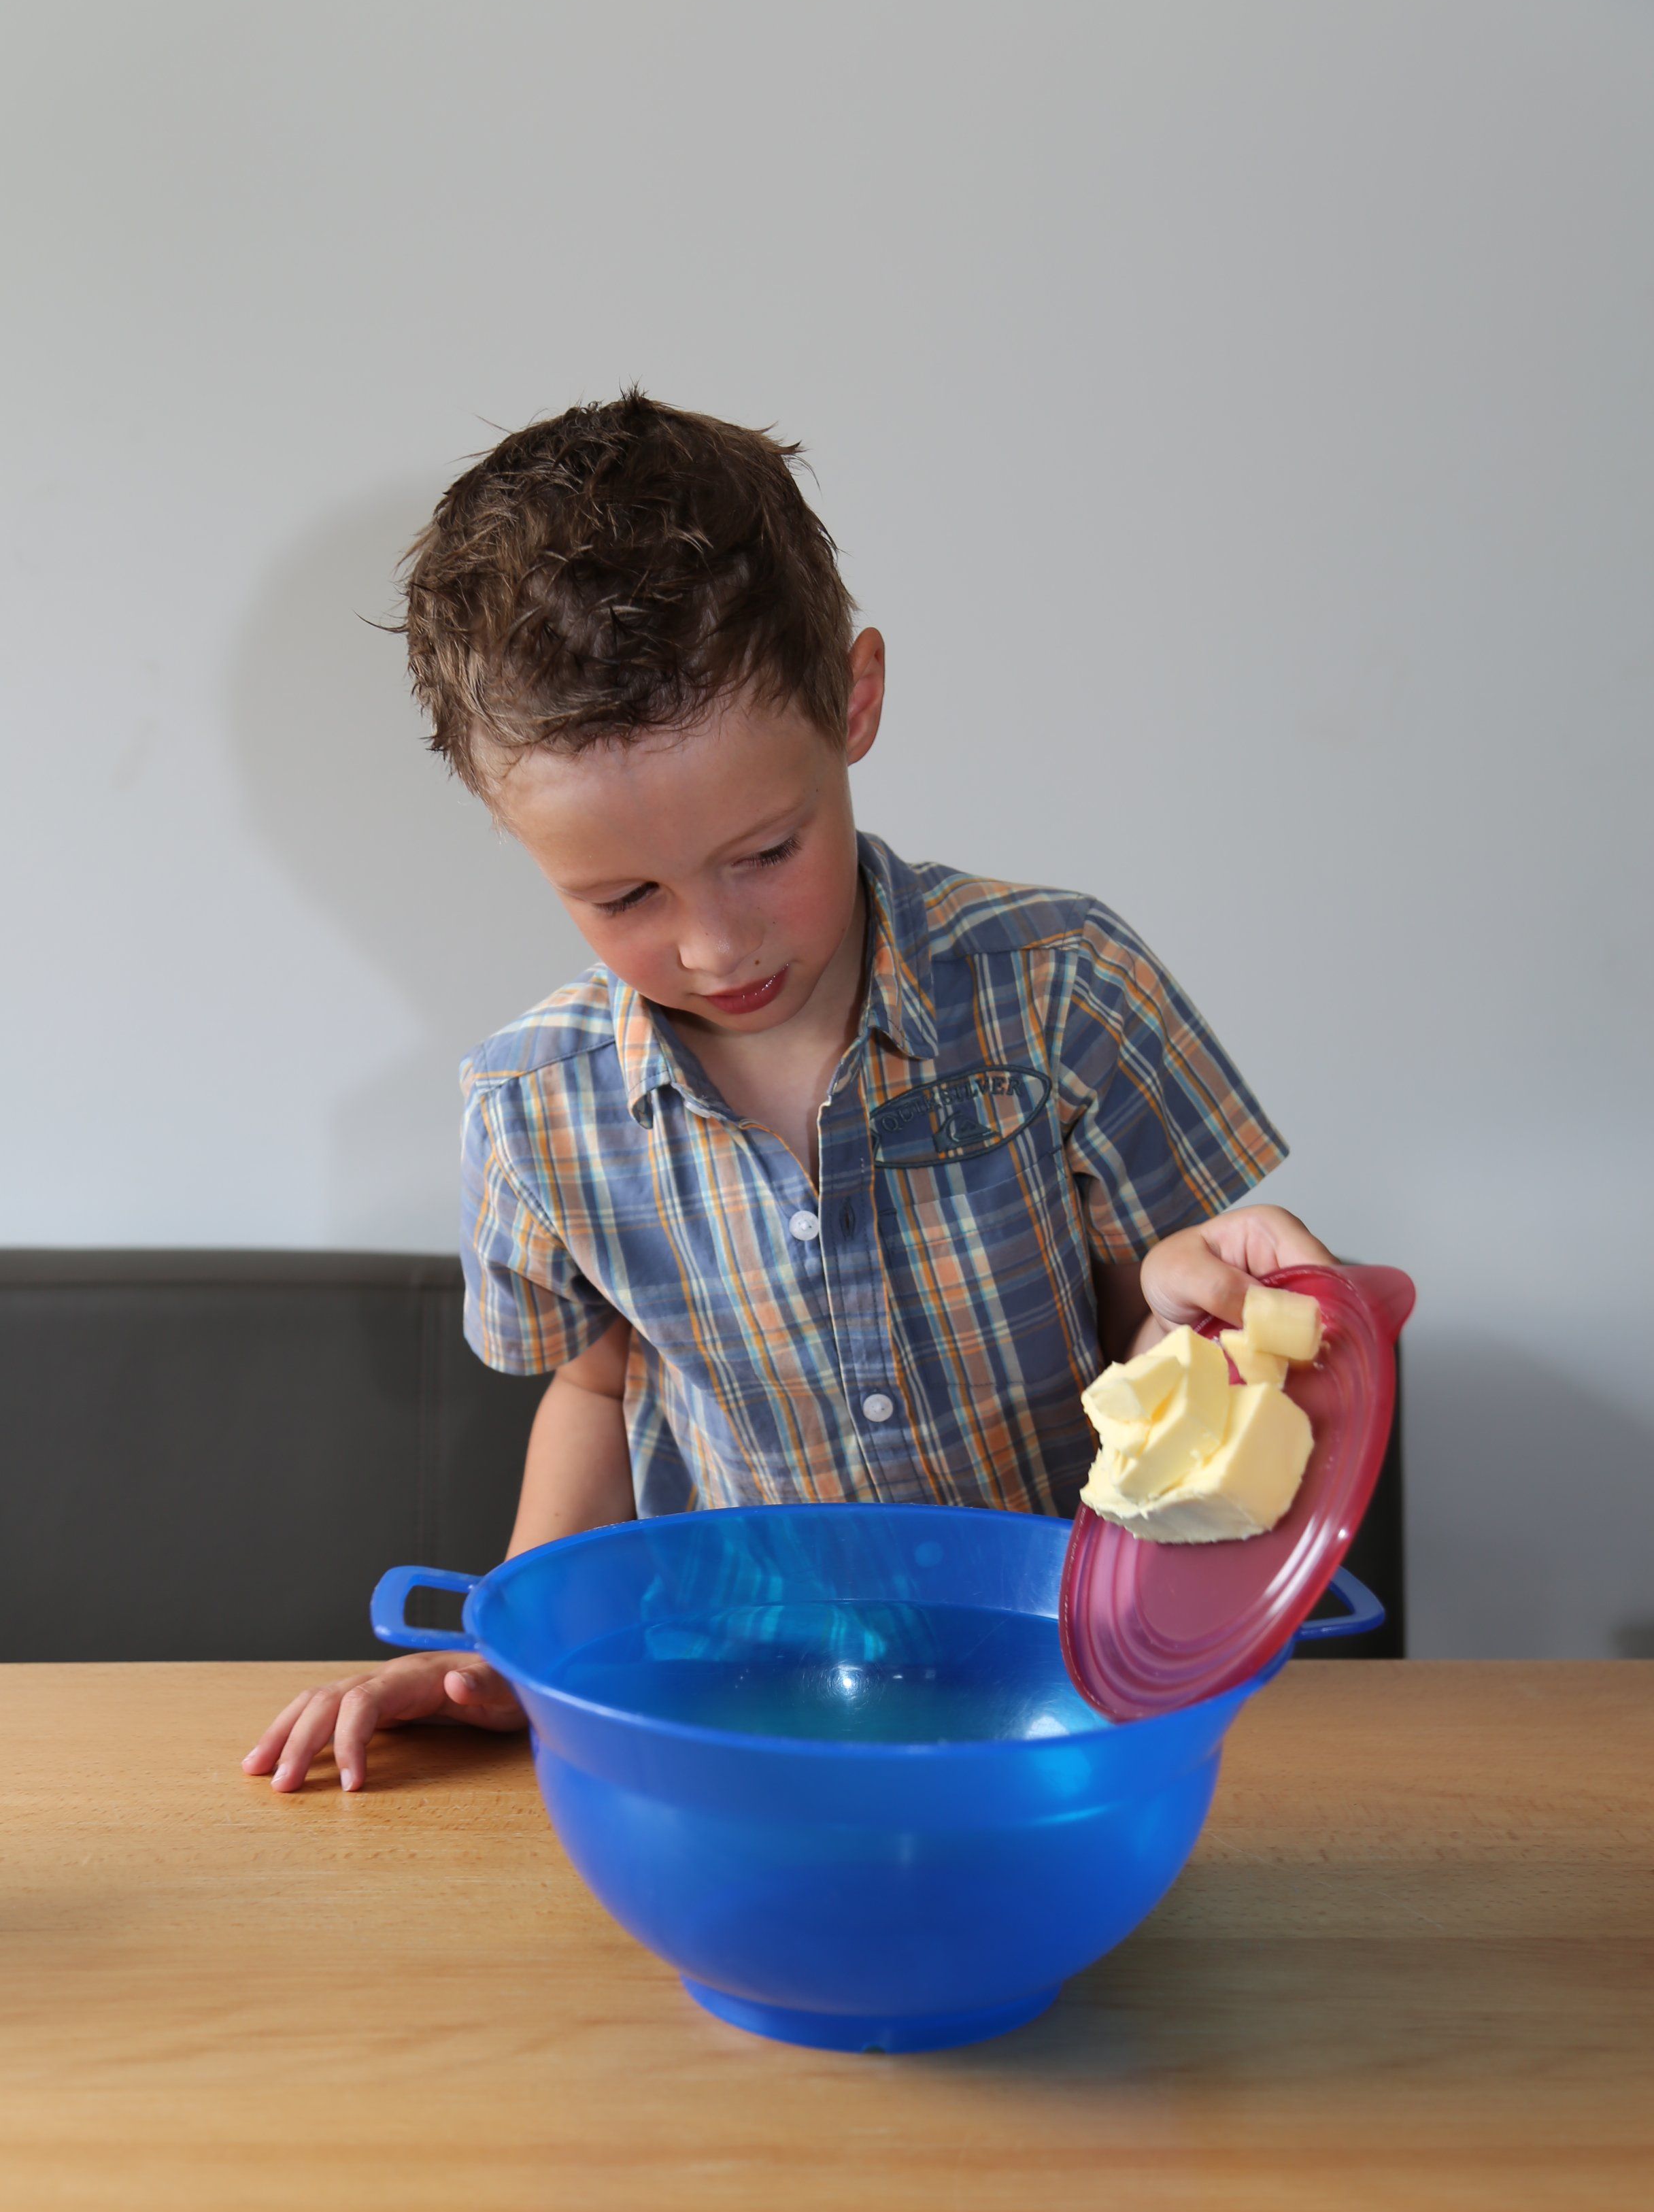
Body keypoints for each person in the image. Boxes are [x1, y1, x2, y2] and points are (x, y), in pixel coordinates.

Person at [244, 391, 1334, 1795]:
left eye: (764, 853)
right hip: (735, 1718)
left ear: (854, 701)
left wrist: (1198, 1311)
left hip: (1072, 1704)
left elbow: (1154, 1338)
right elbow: (595, 1386)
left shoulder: (1064, 986)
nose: (715, 946)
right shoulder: (533, 1114)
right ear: (514, 833)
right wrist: (520, 1648)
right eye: (625, 897)